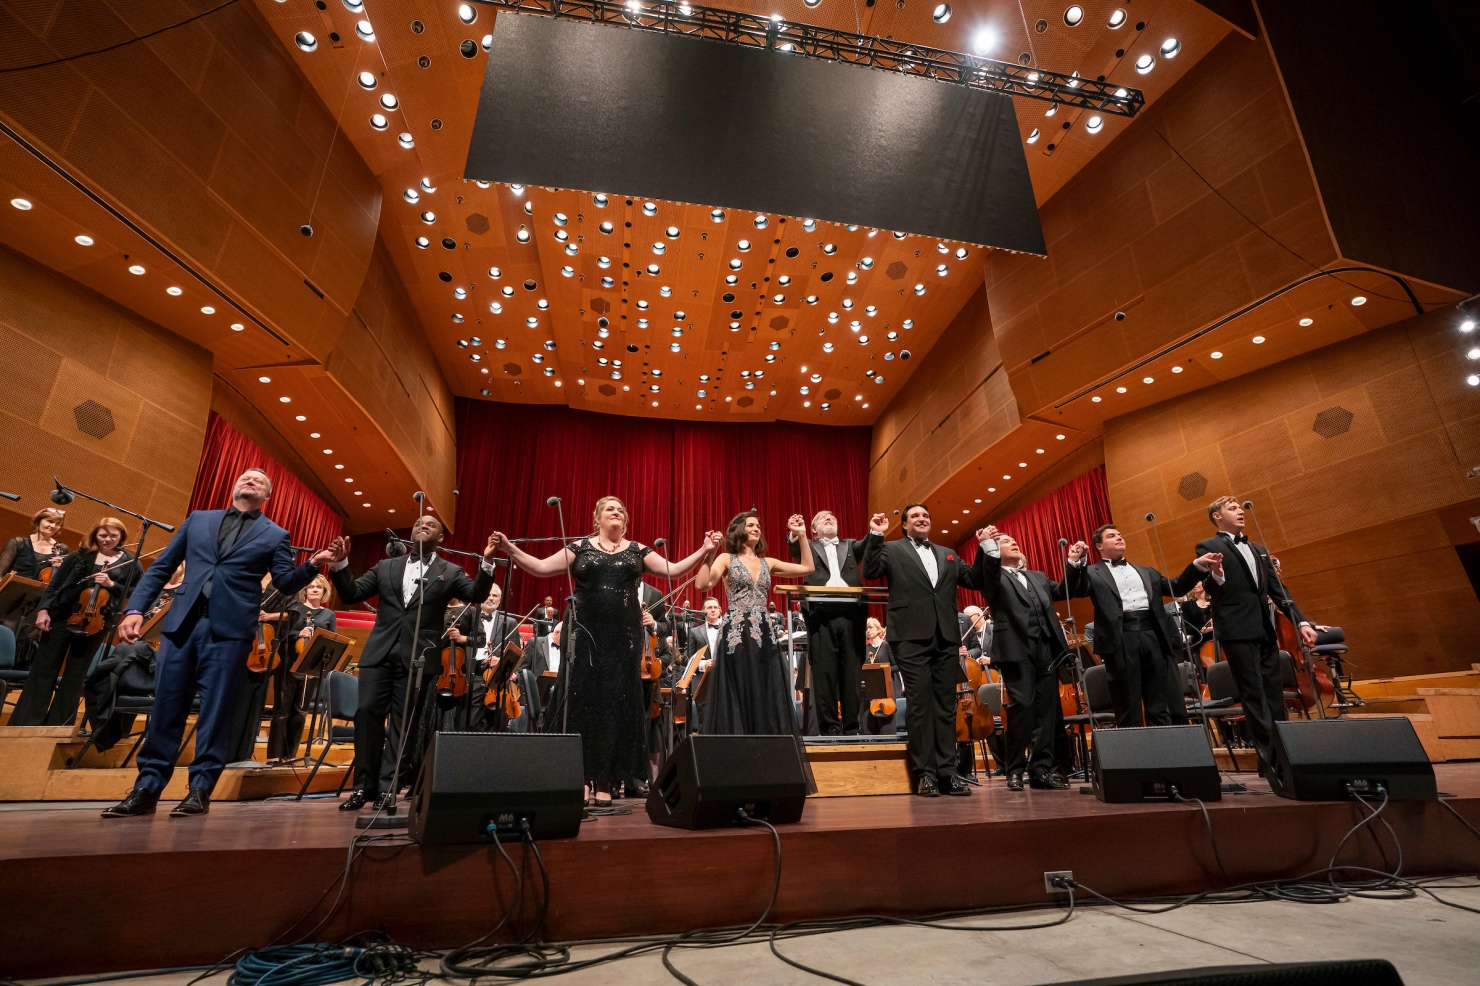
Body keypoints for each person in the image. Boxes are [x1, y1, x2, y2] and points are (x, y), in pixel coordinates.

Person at [102, 468, 335, 818]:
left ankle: (199, 790)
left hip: (229, 632)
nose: (251, 480)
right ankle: (146, 789)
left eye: (259, 480)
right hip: (182, 625)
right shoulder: (198, 519)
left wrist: (313, 566)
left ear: (267, 496)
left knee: (216, 713)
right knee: (166, 707)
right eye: (246, 477)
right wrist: (136, 608)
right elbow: (162, 567)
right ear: (234, 485)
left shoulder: (275, 534)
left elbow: (285, 583)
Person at [492, 496, 714, 806]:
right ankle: (581, 777)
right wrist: (509, 549)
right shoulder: (580, 547)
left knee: (614, 706)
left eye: (622, 510)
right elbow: (541, 568)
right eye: (611, 509)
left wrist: (704, 550)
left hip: (623, 640)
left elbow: (673, 570)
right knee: (582, 702)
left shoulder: (637, 550)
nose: (618, 513)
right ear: (597, 518)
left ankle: (607, 779)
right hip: (584, 635)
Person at [328, 516, 499, 811]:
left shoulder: (449, 570)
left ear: (441, 537)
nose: (423, 525)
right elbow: (351, 593)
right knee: (366, 713)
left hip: (418, 659)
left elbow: (475, 595)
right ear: (411, 532)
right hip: (379, 653)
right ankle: (363, 787)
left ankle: (387, 789)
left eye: (431, 524)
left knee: (403, 722)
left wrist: (486, 563)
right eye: (419, 522)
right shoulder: (386, 566)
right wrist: (341, 565)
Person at [862, 505, 994, 797]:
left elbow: (974, 579)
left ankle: (948, 773)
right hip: (909, 637)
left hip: (946, 637)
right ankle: (926, 775)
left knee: (946, 706)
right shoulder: (893, 549)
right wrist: (875, 535)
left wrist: (985, 547)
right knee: (920, 705)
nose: (922, 519)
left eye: (926, 516)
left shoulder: (947, 552)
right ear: (906, 525)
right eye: (915, 517)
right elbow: (870, 571)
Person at [1193, 496, 1317, 768]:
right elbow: (1211, 590)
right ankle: (1269, 760)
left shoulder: (1259, 549)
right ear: (1217, 516)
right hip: (1236, 630)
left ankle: (1285, 755)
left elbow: (1279, 591)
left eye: (1240, 508)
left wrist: (1302, 622)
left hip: (1264, 629)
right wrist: (1216, 576)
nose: (1240, 512)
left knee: (1273, 692)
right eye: (1232, 508)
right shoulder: (1208, 546)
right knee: (1253, 693)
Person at [1065, 525, 1209, 727]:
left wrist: (1197, 566)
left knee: (1159, 699)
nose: (1119, 537)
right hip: (1120, 638)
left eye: (1120, 534)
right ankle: (1136, 755)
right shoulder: (1091, 572)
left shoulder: (1146, 571)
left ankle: (1165, 748)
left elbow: (1176, 587)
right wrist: (1075, 562)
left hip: (1153, 634)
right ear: (1099, 546)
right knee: (1127, 702)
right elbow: (1076, 590)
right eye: (1112, 536)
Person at [975, 529, 1082, 792]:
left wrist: (1073, 563)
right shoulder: (994, 576)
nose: (1012, 541)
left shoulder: (1036, 577)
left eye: (1014, 540)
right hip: (1015, 649)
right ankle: (1015, 769)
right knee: (1022, 707)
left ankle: (1041, 770)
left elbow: (1064, 591)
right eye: (1004, 542)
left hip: (1046, 649)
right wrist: (986, 545)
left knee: (1047, 712)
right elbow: (983, 576)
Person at [695, 512, 814, 740]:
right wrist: (709, 555)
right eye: (750, 525)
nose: (756, 528)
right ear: (739, 530)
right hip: (737, 632)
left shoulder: (768, 562)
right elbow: (702, 584)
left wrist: (801, 536)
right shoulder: (726, 559)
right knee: (738, 686)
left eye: (758, 525)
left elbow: (808, 567)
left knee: (764, 685)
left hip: (764, 630)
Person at [13, 517, 137, 726]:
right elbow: (55, 585)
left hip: (95, 622)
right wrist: (44, 610)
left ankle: (57, 726)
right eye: (103, 534)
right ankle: (26, 722)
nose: (107, 539)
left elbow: (137, 591)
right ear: (95, 534)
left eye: (113, 536)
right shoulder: (80, 556)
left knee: (75, 676)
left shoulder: (130, 562)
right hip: (62, 616)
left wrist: (112, 584)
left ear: (122, 537)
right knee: (43, 670)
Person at [786, 510, 867, 736]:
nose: (829, 518)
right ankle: (829, 727)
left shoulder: (849, 545)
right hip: (821, 614)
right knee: (824, 673)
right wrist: (796, 535)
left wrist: (875, 531)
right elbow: (794, 550)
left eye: (833, 516)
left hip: (851, 614)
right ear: (813, 529)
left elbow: (867, 545)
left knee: (851, 673)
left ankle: (852, 727)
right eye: (822, 518)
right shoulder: (808, 545)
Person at [264, 574, 336, 761]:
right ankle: (274, 756)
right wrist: (298, 633)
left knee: (300, 713)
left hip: (310, 668)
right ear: (304, 591)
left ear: (324, 591)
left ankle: (289, 756)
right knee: (281, 711)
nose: (314, 589)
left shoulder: (329, 615)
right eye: (310, 586)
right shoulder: (295, 609)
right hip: (288, 663)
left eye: (318, 587)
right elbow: (280, 633)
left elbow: (332, 640)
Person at [0, 507, 69, 580]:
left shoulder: (61, 549)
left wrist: (61, 569)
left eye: (58, 524)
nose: (53, 526)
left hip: (39, 591)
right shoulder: (18, 543)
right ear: (38, 521)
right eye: (50, 521)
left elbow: (59, 580)